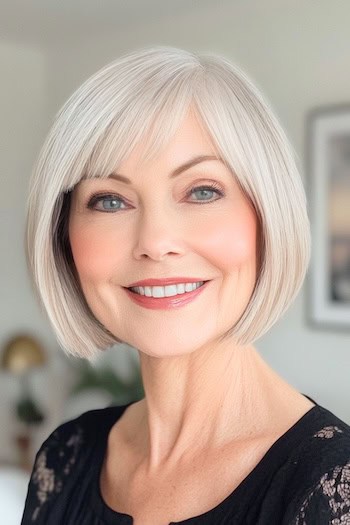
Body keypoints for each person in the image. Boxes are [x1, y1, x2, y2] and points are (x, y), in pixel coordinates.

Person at [21, 46, 350, 525]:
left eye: (202, 191)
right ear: (63, 234)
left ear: (266, 216)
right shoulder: (64, 456)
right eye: (110, 200)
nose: (155, 242)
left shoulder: (334, 489)